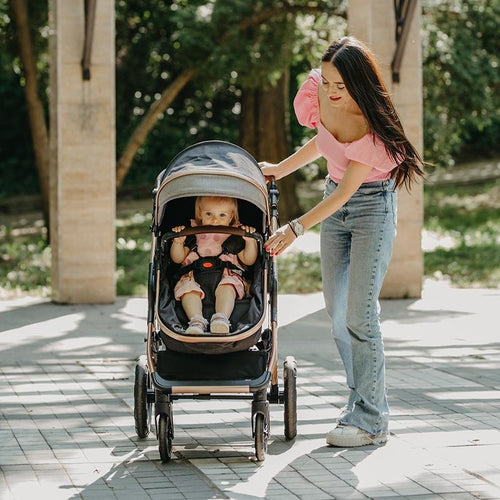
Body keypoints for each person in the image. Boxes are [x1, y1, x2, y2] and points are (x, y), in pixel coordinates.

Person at [260, 36, 424, 447]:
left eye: (340, 85)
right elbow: (323, 140)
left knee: (361, 317)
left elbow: (344, 194)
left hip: (370, 209)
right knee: (337, 316)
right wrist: (279, 169)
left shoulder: (372, 127)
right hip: (336, 206)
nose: (330, 92)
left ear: (360, 82)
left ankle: (371, 421)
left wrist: (294, 229)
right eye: (327, 81)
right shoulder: (322, 95)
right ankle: (361, 401)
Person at [170, 195, 258, 335]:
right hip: (193, 276)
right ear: (200, 214)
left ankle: (221, 319)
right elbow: (177, 258)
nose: (215, 219)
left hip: (226, 275)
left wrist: (250, 242)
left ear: (231, 217)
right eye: (208, 214)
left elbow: (249, 260)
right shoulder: (191, 232)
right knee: (188, 291)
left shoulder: (235, 234)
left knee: (228, 287)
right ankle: (196, 322)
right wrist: (178, 242)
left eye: (222, 215)